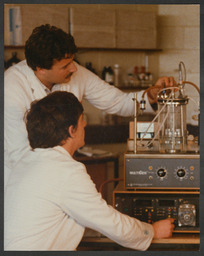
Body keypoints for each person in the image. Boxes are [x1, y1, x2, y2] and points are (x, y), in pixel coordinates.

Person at [4, 24, 176, 186]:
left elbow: (118, 102)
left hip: (61, 173)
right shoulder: (12, 85)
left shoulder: (75, 73)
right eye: (65, 66)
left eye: (72, 61)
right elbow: (19, 153)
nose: (74, 69)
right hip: (23, 179)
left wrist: (152, 95)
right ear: (40, 68)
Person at [4, 91, 175, 251]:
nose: (85, 124)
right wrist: (151, 230)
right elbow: (110, 223)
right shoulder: (66, 171)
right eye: (81, 120)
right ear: (71, 131)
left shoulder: (25, 162)